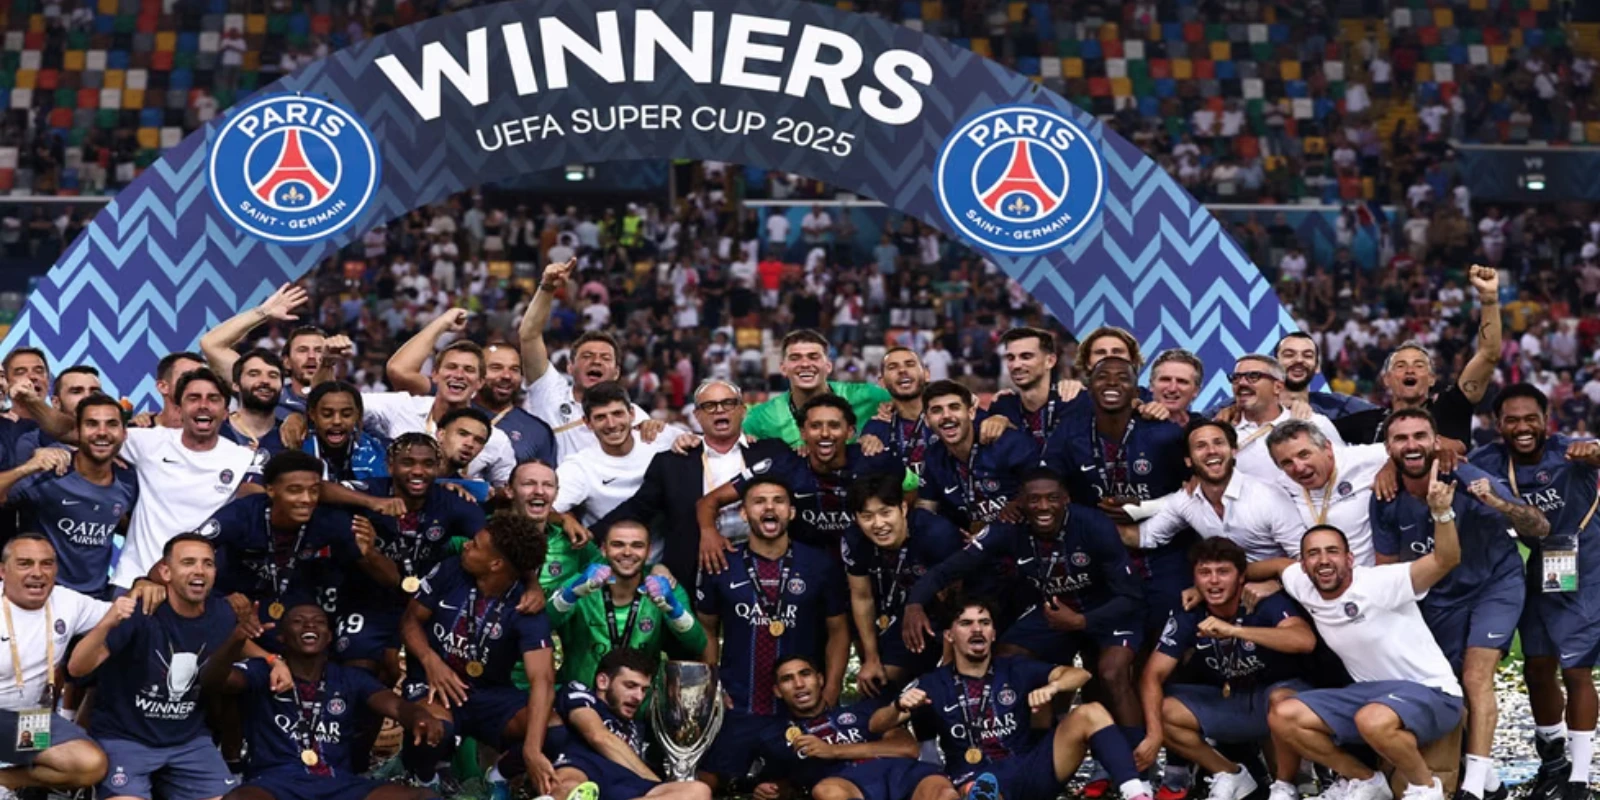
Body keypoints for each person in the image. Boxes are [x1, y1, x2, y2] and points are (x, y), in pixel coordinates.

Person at [1372, 409, 1549, 800]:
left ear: (1436, 442)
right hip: (1438, 596)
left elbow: (1539, 526)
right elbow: (1388, 572)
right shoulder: (1385, 498)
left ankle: (1472, 788)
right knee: (1446, 682)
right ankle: (1489, 781)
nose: (1411, 445)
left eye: (1420, 436)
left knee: (1475, 676)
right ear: (1388, 448)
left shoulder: (1467, 479)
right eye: (1401, 438)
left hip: (1493, 584)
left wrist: (1500, 504)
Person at [903, 469, 1144, 734]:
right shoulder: (1007, 527)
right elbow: (948, 569)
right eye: (1034, 499)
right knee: (1007, 657)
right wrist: (914, 604)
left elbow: (1131, 596)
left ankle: (1139, 755)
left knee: (1111, 673)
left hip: (1107, 608)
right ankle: (1034, 742)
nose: (1043, 506)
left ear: (1066, 499)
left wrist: (1081, 621)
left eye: (1052, 498)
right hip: (1054, 611)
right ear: (1019, 502)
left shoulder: (1094, 525)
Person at [1263, 513, 1466, 800]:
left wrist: (1442, 513)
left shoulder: (1378, 582)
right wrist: (1244, 581)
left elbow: (1446, 560)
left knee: (1371, 719)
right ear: (1304, 565)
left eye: (1332, 551)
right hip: (1370, 694)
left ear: (1350, 559)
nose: (1323, 560)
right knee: (1283, 715)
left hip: (1432, 691)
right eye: (1313, 553)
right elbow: (1277, 565)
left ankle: (1425, 789)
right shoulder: (1302, 583)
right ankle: (1366, 780)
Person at [868, 597, 1154, 800]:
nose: (977, 629)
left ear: (993, 634)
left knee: (1090, 712)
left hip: (1028, 768)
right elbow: (876, 725)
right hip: (972, 776)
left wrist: (1053, 687)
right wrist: (899, 705)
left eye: (984, 623)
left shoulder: (1015, 667)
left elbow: (1080, 674)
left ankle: (1135, 793)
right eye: (966, 623)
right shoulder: (933, 682)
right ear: (950, 635)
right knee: (976, 789)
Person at [1466, 384, 1600, 800]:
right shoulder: (1488, 460)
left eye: (1531, 419)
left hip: (1587, 565)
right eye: (1512, 420)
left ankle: (1579, 780)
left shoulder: (1571, 452)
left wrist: (1596, 450)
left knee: (1576, 669)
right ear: (1498, 424)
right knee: (1537, 667)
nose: (1522, 427)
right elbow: (1449, 468)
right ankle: (1554, 763)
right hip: (1539, 565)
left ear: (1546, 421)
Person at [69, 533, 272, 800]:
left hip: (189, 742)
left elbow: (236, 638)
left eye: (207, 563)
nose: (199, 570)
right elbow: (77, 668)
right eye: (188, 562)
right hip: (124, 738)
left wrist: (273, 661)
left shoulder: (222, 612)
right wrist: (108, 621)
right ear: (165, 572)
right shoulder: (141, 609)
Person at [20, 368, 262, 590]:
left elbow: (255, 514)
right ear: (179, 408)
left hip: (197, 587)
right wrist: (32, 402)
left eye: (213, 399)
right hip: (133, 582)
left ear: (226, 411)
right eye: (193, 398)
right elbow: (69, 431)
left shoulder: (243, 459)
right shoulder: (148, 442)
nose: (203, 406)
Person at [694, 477, 849, 791]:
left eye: (778, 501)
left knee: (803, 787)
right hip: (738, 705)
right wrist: (711, 685)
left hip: (799, 709)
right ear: (743, 513)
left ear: (791, 512)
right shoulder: (721, 563)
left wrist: (831, 690)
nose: (769, 507)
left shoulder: (819, 564)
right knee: (705, 784)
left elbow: (839, 631)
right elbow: (705, 629)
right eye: (759, 501)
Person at [1136, 538, 1316, 800]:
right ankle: (1230, 773)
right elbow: (1153, 674)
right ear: (1194, 579)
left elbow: (1304, 640)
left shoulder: (1262, 600)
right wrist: (1154, 735)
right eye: (1204, 573)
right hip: (1229, 699)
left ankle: (1284, 786)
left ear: (1241, 577)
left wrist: (1236, 631)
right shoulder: (1189, 611)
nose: (1214, 581)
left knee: (1283, 700)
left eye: (1223, 572)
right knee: (1161, 709)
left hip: (1275, 699)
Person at [398, 514, 558, 800]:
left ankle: (497, 777)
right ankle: (423, 778)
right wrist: (430, 660)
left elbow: (543, 679)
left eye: (475, 544)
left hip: (488, 693)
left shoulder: (525, 604)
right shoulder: (451, 569)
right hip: (433, 684)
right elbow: (410, 620)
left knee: (554, 731)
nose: (466, 546)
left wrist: (532, 750)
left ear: (495, 564)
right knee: (432, 729)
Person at [220, 603, 444, 800]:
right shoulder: (262, 672)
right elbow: (218, 681)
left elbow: (395, 705)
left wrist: (418, 715)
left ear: (329, 637)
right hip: (276, 782)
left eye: (319, 621)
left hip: (337, 783)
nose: (309, 625)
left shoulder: (349, 678)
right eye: (298, 621)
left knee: (423, 797)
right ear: (282, 637)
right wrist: (235, 641)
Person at [201, 450, 396, 658]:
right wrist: (218, 600)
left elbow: (392, 580)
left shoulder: (330, 520)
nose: (306, 499)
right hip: (234, 595)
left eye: (313, 491)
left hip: (291, 599)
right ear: (270, 490)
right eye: (295, 490)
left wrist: (371, 553)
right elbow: (185, 553)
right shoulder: (241, 515)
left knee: (312, 632)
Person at [1043, 356, 1189, 632]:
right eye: (1102, 377)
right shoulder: (1069, 432)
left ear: (1136, 391)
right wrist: (1095, 523)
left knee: (1169, 630)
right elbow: (1048, 487)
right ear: (1089, 387)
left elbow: (1192, 492)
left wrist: (1144, 508)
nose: (1112, 383)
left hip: (1162, 554)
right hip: (1099, 555)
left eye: (1123, 378)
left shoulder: (1165, 434)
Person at [592, 380, 785, 588]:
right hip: (693, 576)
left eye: (728, 403)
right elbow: (637, 509)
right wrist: (587, 536)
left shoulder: (772, 453)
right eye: (709, 406)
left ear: (742, 410)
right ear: (697, 415)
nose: (719, 410)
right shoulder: (671, 463)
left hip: (766, 569)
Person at [318, 435, 484, 675]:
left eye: (428, 464)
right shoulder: (373, 489)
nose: (418, 471)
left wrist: (531, 584)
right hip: (368, 600)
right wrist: (372, 502)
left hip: (424, 604)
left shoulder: (450, 501)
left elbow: (494, 539)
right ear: (390, 466)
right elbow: (318, 487)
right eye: (407, 462)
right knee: (360, 669)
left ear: (438, 467)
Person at [698, 394, 904, 561]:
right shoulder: (783, 466)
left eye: (834, 425)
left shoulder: (874, 460)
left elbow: (907, 497)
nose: (825, 433)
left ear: (850, 431)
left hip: (868, 568)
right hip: (808, 574)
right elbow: (709, 501)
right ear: (803, 432)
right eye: (815, 426)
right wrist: (709, 533)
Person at [0, 534, 126, 795]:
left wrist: (145, 586)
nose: (37, 573)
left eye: (46, 564)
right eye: (25, 563)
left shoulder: (68, 601)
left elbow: (121, 612)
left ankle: (6, 781)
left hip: (27, 721)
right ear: (3, 571)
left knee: (89, 765)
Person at [1335, 267, 1502, 445]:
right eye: (1400, 366)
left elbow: (1488, 355)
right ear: (1387, 379)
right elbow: (1320, 433)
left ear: (1431, 378)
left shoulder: (1450, 407)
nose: (1410, 370)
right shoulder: (1370, 423)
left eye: (1419, 365)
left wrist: (1489, 299)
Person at [841, 473, 968, 694]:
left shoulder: (937, 534)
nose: (878, 524)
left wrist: (949, 656)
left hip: (948, 614)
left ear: (903, 508)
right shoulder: (854, 539)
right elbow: (861, 596)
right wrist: (871, 658)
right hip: (899, 615)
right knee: (880, 682)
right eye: (867, 516)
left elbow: (958, 599)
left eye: (885, 513)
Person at [0, 394, 137, 597]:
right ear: (77, 432)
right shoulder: (48, 473)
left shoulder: (128, 479)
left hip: (96, 600)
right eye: (92, 424)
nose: (102, 432)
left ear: (124, 433)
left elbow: (119, 518)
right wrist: (27, 468)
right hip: (43, 596)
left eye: (112, 424)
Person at [518, 258, 653, 455]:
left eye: (605, 358)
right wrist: (547, 288)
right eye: (587, 356)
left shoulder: (632, 414)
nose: (596, 361)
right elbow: (529, 335)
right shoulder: (549, 393)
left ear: (616, 372)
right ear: (570, 367)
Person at [365, 310, 516, 486]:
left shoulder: (496, 440)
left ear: (480, 382)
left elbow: (506, 493)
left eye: (469, 370)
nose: (459, 375)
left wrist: (478, 488)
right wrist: (442, 323)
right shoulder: (403, 407)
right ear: (435, 375)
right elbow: (350, 404)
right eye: (451, 367)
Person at [1127, 418, 1304, 566]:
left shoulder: (1268, 497)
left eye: (1219, 443)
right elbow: (1145, 536)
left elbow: (1303, 556)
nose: (1211, 451)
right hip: (1225, 587)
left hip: (1278, 586)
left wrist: (1276, 582)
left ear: (1233, 451)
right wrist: (1107, 526)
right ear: (1188, 461)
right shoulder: (1186, 499)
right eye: (1200, 446)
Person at [547, 519, 706, 685]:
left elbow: (698, 644)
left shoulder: (664, 588)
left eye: (637, 545)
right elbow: (543, 625)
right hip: (581, 696)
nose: (627, 552)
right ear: (603, 549)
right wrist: (570, 595)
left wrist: (674, 610)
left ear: (649, 551)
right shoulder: (580, 583)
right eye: (618, 544)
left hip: (640, 697)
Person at [756, 654, 936, 800]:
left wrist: (833, 751)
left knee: (940, 789)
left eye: (805, 674)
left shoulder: (864, 710)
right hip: (844, 790)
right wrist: (771, 791)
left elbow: (907, 748)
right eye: (787, 679)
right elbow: (787, 786)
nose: (799, 684)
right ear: (777, 691)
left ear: (820, 679)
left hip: (901, 778)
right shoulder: (776, 738)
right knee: (828, 792)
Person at [550, 648, 710, 800]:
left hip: (629, 786)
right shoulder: (580, 693)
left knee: (699, 791)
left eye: (644, 690)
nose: (638, 697)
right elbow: (598, 736)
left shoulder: (638, 726)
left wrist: (659, 787)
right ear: (603, 681)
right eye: (630, 686)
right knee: (568, 783)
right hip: (584, 769)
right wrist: (653, 781)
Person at [553, 382, 683, 559]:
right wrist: (564, 519)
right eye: (600, 417)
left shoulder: (661, 439)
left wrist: (689, 441)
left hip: (662, 563)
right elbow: (544, 506)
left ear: (632, 414)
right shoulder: (580, 465)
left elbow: (706, 450)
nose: (611, 424)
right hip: (607, 566)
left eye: (617, 414)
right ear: (587, 423)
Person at [917, 381, 1040, 533]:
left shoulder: (1006, 442)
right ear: (927, 421)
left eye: (954, 407)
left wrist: (1018, 505)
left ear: (971, 413)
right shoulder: (933, 456)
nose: (946, 416)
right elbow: (925, 509)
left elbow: (1042, 490)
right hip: (969, 540)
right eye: (937, 410)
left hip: (1021, 533)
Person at [1264, 420, 1388, 565]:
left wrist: (1391, 467)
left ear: (1327, 448)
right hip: (1323, 573)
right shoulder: (1283, 487)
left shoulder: (1361, 459)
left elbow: (1403, 448)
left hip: (1370, 571)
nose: (1299, 467)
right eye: (1287, 463)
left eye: (1304, 455)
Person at [742, 330, 891, 448]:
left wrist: (880, 429)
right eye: (795, 358)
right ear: (783, 368)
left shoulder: (868, 396)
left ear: (828, 366)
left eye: (813, 357)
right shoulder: (761, 418)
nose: (805, 364)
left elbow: (902, 405)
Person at [199, 284, 326, 414]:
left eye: (319, 350)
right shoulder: (267, 390)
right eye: (302, 350)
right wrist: (264, 312)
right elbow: (211, 344)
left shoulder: (339, 396)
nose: (311, 356)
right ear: (286, 362)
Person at [1223, 355, 1345, 481]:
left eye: (1253, 376)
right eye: (1236, 378)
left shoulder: (1314, 423)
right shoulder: (1222, 434)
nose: (1241, 383)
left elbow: (1344, 472)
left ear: (1277, 387)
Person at [507, 460, 598, 594]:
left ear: (556, 493)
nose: (539, 491)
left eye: (548, 485)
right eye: (528, 484)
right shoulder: (487, 535)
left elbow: (608, 574)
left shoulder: (573, 540)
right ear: (509, 490)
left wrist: (571, 598)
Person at [990, 328, 1075, 450]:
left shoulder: (1073, 402)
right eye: (1010, 358)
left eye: (1026, 357)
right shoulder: (1002, 406)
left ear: (1050, 361)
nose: (1016, 365)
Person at [474, 343, 558, 466]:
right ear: (476, 372)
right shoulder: (453, 412)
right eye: (496, 368)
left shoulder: (536, 431)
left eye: (514, 369)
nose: (507, 376)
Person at [301, 382, 387, 484]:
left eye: (346, 414)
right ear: (312, 414)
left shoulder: (379, 448)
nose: (337, 421)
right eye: (327, 414)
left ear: (357, 414)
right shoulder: (298, 447)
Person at [218, 349, 288, 455]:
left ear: (282, 388)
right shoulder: (216, 432)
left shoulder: (291, 438)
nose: (265, 381)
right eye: (254, 374)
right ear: (236, 385)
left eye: (273, 375)